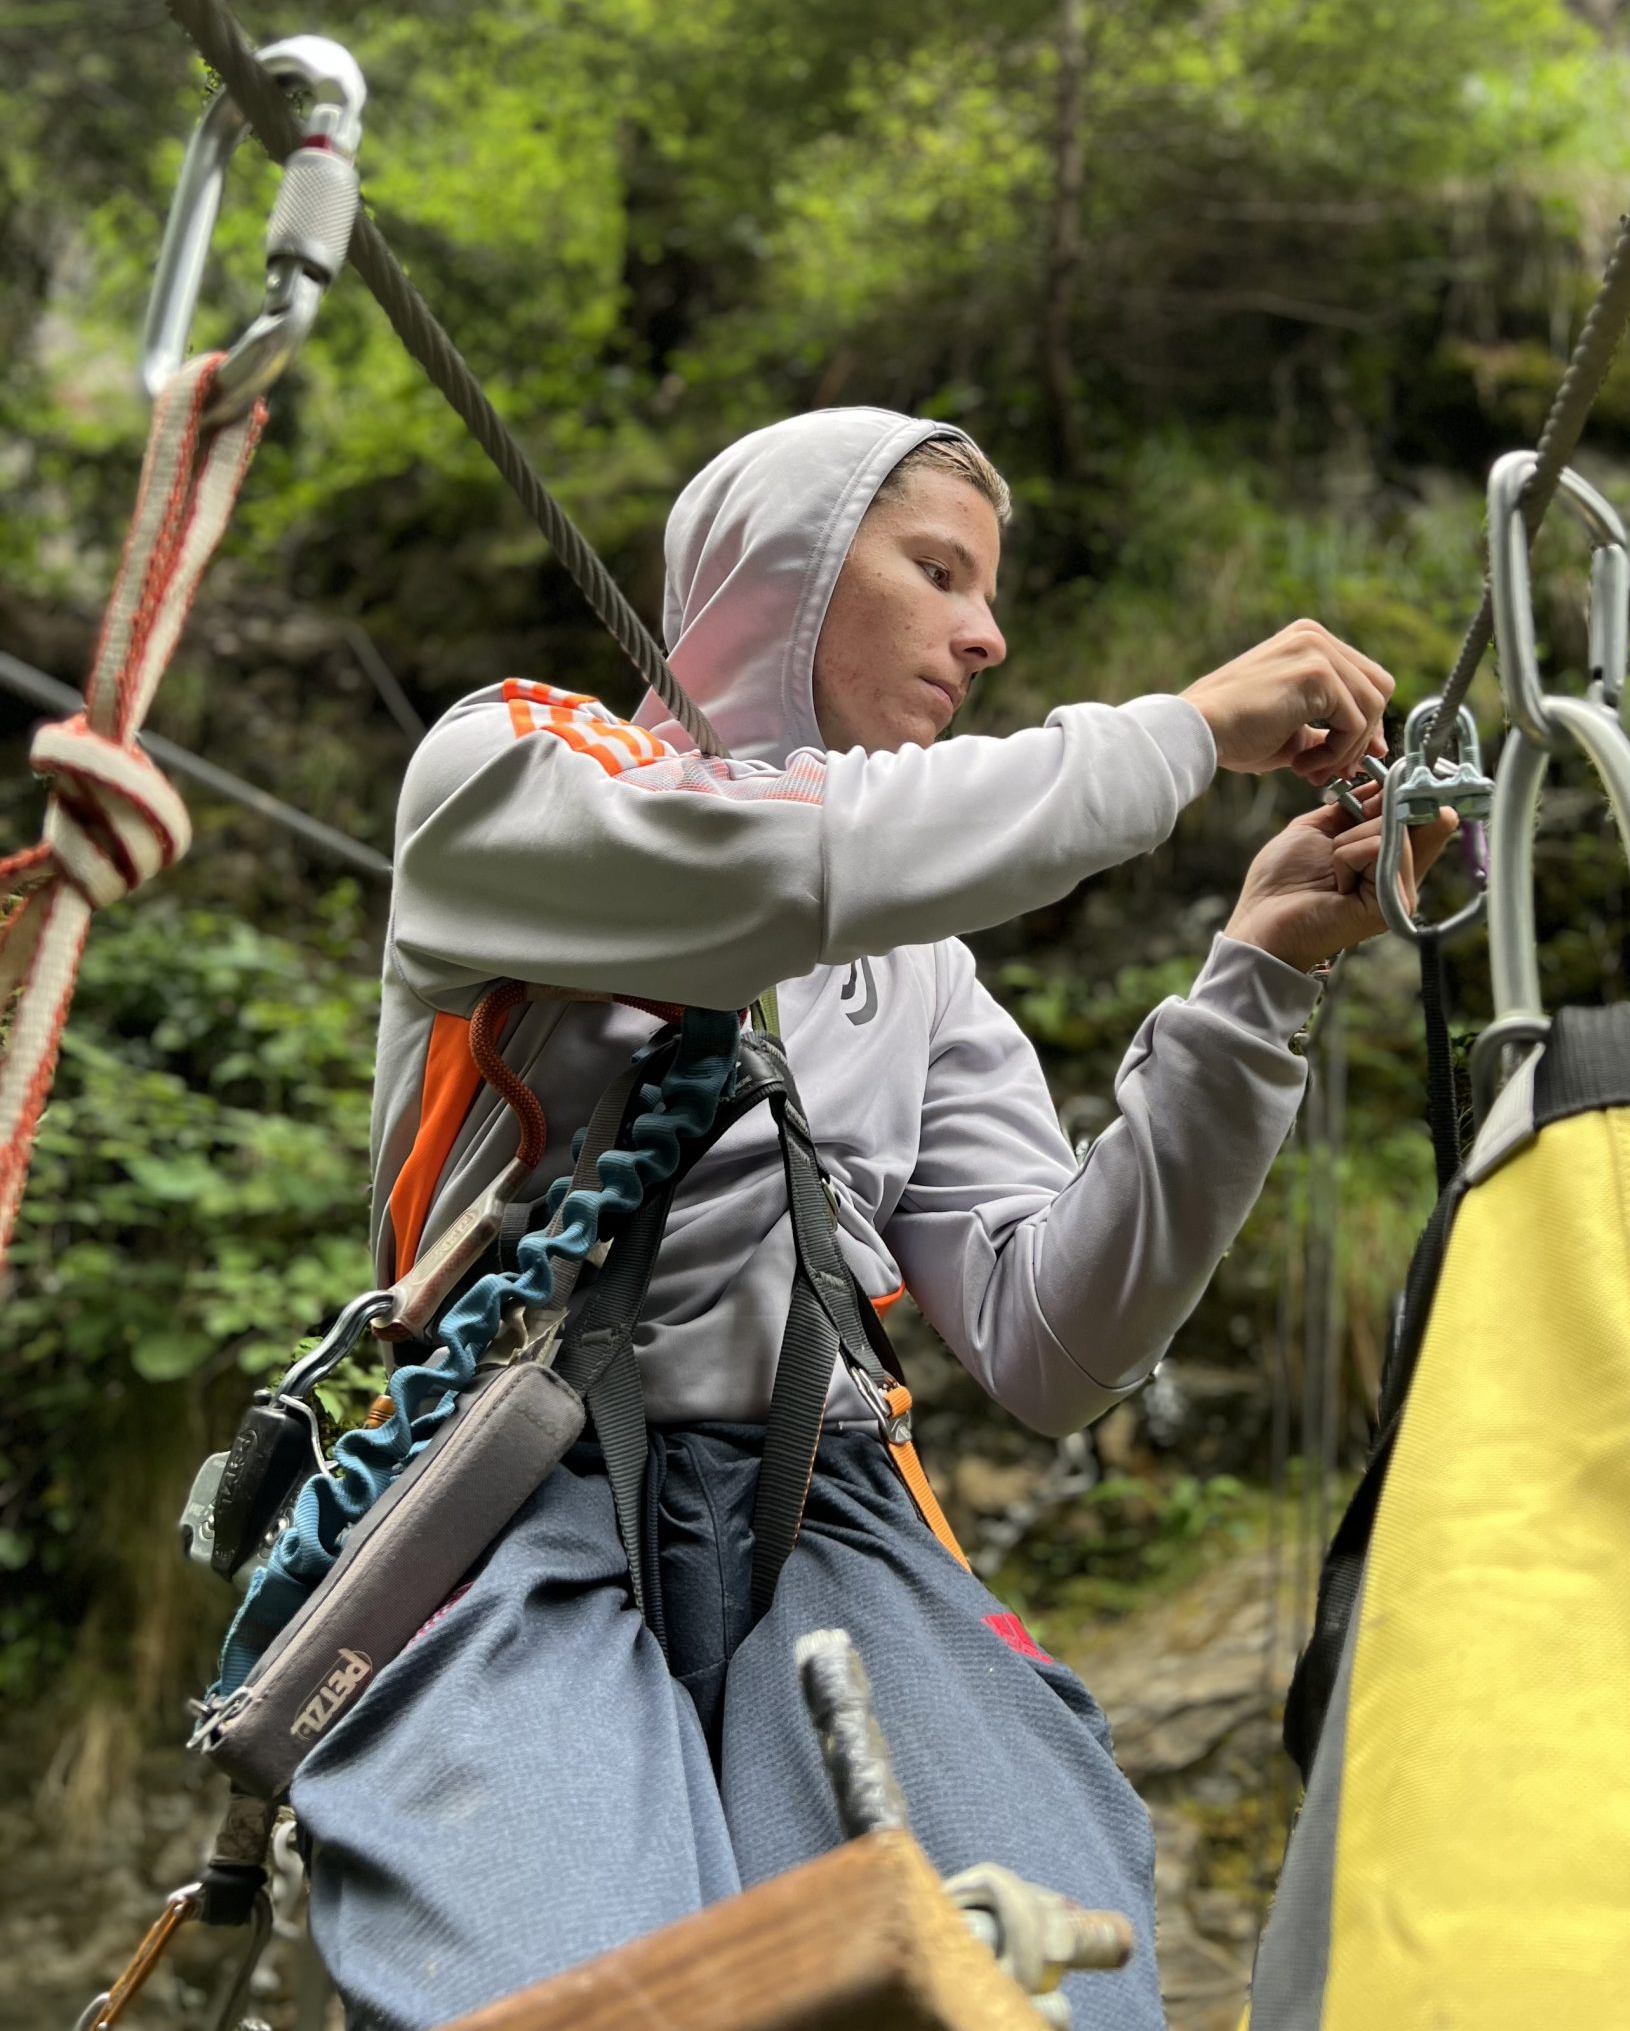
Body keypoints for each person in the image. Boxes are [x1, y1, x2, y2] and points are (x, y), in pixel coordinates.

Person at [293, 407, 1453, 2031]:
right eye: (938, 571)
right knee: (548, 1990)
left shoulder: (920, 968)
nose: (987, 635)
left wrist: (1259, 977)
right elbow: (780, 864)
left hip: (824, 1501)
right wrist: (1187, 734)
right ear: (789, 572)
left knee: (1038, 1984)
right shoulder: (512, 779)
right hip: (513, 1490)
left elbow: (1055, 1338)